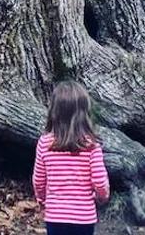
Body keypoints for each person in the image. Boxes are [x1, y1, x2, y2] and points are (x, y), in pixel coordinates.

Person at [32, 80, 111, 235]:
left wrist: (42, 201)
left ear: (54, 111)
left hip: (55, 216)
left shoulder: (45, 143)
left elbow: (38, 180)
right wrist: (102, 197)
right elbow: (100, 181)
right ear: (84, 112)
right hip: (83, 217)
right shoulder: (91, 145)